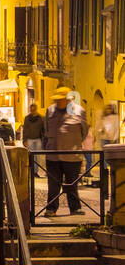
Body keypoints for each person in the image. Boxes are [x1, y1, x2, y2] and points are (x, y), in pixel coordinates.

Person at [45, 86, 88, 217]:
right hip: (53, 155)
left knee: (72, 184)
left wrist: (74, 144)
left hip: (72, 155)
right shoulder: (50, 110)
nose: (58, 102)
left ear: (69, 99)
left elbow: (84, 131)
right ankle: (51, 208)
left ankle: (75, 208)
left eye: (61, 99)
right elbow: (46, 129)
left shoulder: (79, 111)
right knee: (53, 184)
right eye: (57, 100)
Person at [91, 102, 119, 188]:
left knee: (113, 156)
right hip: (105, 138)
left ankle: (114, 170)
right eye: (107, 109)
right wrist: (100, 130)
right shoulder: (103, 118)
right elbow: (100, 128)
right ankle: (104, 172)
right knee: (103, 156)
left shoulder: (115, 117)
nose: (108, 110)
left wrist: (114, 138)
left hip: (113, 139)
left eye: (110, 109)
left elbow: (116, 128)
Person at [21, 106, 45, 178]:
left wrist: (43, 138)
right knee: (31, 156)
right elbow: (25, 129)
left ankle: (35, 171)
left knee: (37, 157)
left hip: (38, 139)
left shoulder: (40, 118)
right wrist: (24, 140)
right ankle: (31, 171)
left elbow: (43, 129)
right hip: (30, 139)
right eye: (31, 110)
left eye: (33, 110)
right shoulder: (27, 118)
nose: (33, 111)